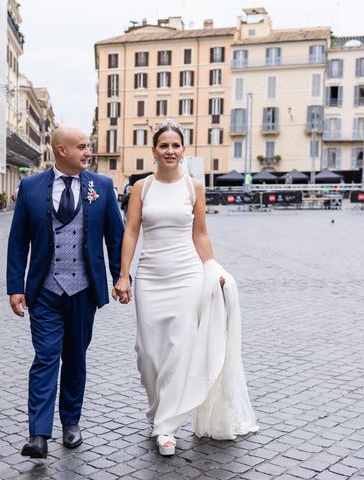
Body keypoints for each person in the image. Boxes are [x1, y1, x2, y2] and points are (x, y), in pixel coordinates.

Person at [114, 119, 258, 456]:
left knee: (179, 349)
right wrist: (124, 274)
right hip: (150, 277)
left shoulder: (193, 187)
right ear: (154, 150)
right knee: (148, 354)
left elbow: (201, 234)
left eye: (175, 145)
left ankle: (166, 427)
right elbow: (131, 231)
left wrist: (213, 269)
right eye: (163, 145)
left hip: (187, 276)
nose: (170, 151)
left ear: (183, 150)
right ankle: (156, 412)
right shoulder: (141, 188)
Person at [6, 126, 125, 459]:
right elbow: (18, 241)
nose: (89, 152)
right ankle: (38, 435)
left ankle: (71, 422)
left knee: (75, 357)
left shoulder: (101, 186)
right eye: (82, 147)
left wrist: (120, 276)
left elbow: (115, 237)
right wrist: (16, 286)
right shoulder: (30, 187)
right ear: (61, 150)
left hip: (84, 290)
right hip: (44, 290)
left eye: (89, 146)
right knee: (45, 358)